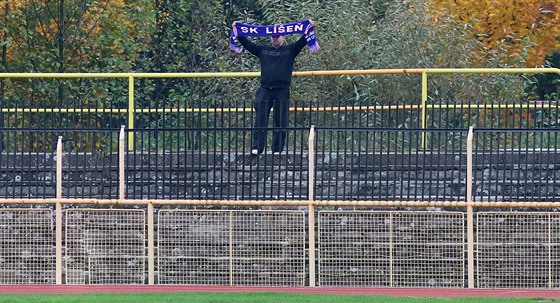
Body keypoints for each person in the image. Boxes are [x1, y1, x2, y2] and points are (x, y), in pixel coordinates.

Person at [232, 20, 317, 155]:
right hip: (265, 89)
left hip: (282, 90)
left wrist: (309, 27)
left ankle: (277, 149)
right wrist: (238, 31)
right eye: (273, 36)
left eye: (278, 36)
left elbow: (303, 41)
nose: (275, 39)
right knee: (260, 120)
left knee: (281, 121)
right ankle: (257, 148)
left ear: (283, 37)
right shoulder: (263, 50)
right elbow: (248, 44)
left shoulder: (290, 50)